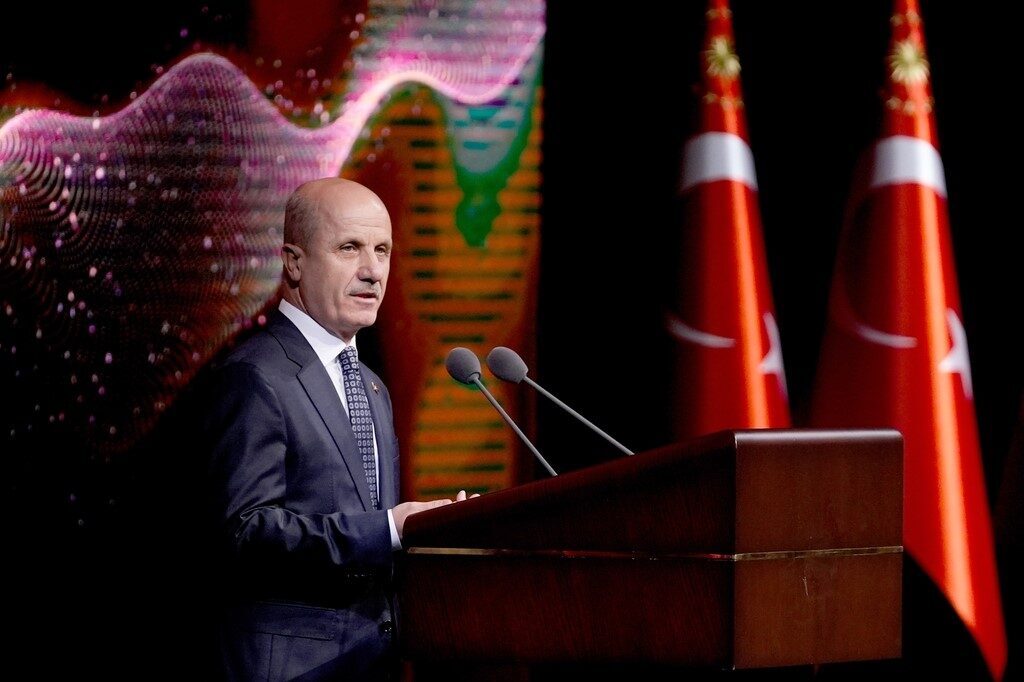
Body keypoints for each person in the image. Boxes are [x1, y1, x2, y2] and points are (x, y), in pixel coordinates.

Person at [201, 177, 462, 680]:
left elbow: (374, 536)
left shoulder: (372, 387)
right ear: (294, 262)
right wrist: (389, 529)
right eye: (349, 248)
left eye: (382, 251)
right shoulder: (255, 376)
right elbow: (244, 533)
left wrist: (438, 531)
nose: (372, 271)